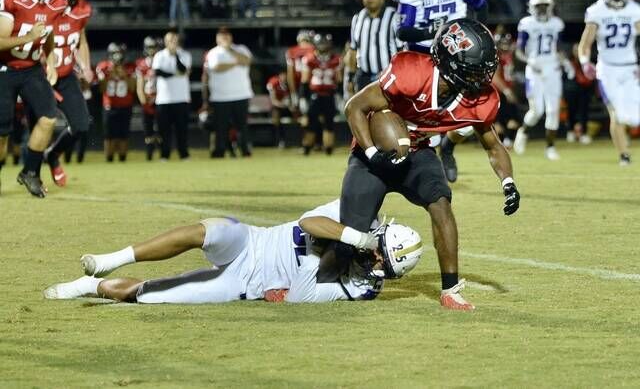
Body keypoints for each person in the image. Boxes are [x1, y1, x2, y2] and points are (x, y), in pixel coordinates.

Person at [318, 19, 521, 311]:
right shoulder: (412, 72)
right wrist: (373, 152)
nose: (484, 76)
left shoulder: (479, 99)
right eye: (476, 68)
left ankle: (450, 289)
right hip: (372, 156)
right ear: (451, 63)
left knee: (441, 202)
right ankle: (314, 280)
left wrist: (508, 183)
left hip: (418, 153)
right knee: (348, 240)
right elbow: (355, 107)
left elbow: (493, 146)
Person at [44, 199, 423, 304]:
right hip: (255, 240)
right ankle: (112, 258)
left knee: (152, 294)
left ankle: (88, 287)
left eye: (380, 261)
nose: (373, 258)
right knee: (209, 229)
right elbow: (309, 223)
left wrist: (327, 257)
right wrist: (351, 239)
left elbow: (300, 296)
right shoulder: (357, 217)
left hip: (244, 281)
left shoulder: (363, 288)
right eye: (378, 249)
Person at [391, 0, 488, 183]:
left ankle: (448, 147)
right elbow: (403, 30)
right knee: (420, 118)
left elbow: (482, 7)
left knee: (470, 118)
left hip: (457, 58)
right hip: (419, 57)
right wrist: (433, 31)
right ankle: (428, 164)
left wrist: (474, 29)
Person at [0, 0, 67, 197]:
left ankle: (29, 171)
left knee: (48, 118)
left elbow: (47, 33)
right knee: (2, 134)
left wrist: (50, 60)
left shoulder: (56, 0)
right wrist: (29, 37)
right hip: (4, 70)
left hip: (30, 69)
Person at [578, 0, 640, 166]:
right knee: (616, 113)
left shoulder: (635, 10)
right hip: (608, 70)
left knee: (634, 118)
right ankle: (624, 155)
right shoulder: (597, 11)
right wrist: (584, 62)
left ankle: (624, 142)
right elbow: (585, 44)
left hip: (630, 68)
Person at [42, 0, 93, 187]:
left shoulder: (80, 10)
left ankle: (53, 154)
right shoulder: (45, 9)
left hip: (65, 76)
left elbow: (80, 40)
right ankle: (31, 172)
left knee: (81, 125)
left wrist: (86, 66)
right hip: (40, 77)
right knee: (41, 125)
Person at [513, 0, 567, 160]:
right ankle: (523, 132)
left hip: (552, 68)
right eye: (539, 7)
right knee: (537, 111)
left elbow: (558, 48)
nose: (542, 10)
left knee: (553, 110)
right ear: (532, 8)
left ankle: (550, 147)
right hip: (535, 69)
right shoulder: (526, 24)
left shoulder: (557, 23)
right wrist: (530, 61)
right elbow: (519, 51)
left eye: (545, 6)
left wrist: (565, 62)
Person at [202, 27, 253, 158]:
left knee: (242, 126)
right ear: (217, 38)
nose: (225, 38)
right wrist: (235, 63)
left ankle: (244, 150)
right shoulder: (213, 53)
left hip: (241, 95)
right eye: (221, 36)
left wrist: (230, 51)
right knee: (220, 128)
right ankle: (220, 151)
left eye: (227, 35)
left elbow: (247, 61)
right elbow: (217, 67)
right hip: (220, 97)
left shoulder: (241, 48)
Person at [345, 0, 401, 93]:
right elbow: (353, 50)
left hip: (388, 76)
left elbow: (402, 51)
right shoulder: (357, 18)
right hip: (364, 77)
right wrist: (350, 77)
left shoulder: (394, 17)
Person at [152, 31, 192, 161]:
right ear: (165, 42)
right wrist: (174, 75)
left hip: (181, 98)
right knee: (164, 130)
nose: (172, 42)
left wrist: (175, 56)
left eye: (174, 40)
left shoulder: (184, 54)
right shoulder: (159, 55)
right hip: (164, 99)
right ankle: (164, 155)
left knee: (182, 130)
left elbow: (183, 70)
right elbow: (158, 72)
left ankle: (184, 154)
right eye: (170, 40)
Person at [300, 33, 342, 155]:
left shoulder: (336, 59)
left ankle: (328, 148)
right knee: (311, 122)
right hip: (315, 94)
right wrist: (303, 97)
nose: (323, 46)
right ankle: (307, 147)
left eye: (325, 44)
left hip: (329, 94)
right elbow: (304, 80)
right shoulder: (309, 59)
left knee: (329, 122)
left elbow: (339, 80)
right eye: (321, 44)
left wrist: (339, 95)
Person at [96, 43, 136, 162]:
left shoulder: (130, 67)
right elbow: (101, 89)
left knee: (123, 135)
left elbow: (132, 88)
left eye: (120, 54)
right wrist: (108, 76)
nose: (118, 56)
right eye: (115, 54)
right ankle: (109, 159)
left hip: (125, 106)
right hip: (109, 106)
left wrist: (125, 76)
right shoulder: (103, 66)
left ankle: (123, 159)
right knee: (109, 136)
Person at [491, 31, 521, 148]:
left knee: (511, 120)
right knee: (501, 122)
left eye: (507, 43)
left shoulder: (508, 55)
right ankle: (504, 143)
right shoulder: (496, 56)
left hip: (504, 91)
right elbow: (495, 77)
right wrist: (507, 91)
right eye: (503, 43)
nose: (506, 45)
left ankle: (506, 142)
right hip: (498, 93)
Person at [564, 43, 595, 144]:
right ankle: (570, 131)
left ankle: (584, 133)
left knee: (584, 112)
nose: (577, 52)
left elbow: (592, 77)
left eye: (578, 50)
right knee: (571, 111)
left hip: (584, 90)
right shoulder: (569, 62)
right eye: (575, 50)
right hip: (571, 90)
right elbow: (565, 77)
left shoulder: (587, 61)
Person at [135, 36, 159, 161]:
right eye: (150, 47)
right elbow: (140, 86)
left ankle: (162, 154)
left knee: (161, 128)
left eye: (154, 47)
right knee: (148, 130)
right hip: (148, 98)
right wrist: (144, 101)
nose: (152, 50)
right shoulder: (142, 64)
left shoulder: (162, 60)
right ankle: (149, 154)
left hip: (161, 99)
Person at [266, 69, 291, 148]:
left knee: (297, 114)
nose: (284, 77)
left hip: (285, 106)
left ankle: (297, 139)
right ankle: (279, 140)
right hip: (276, 106)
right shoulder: (273, 82)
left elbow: (288, 97)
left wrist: (289, 105)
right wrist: (282, 105)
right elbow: (273, 101)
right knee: (276, 115)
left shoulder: (288, 83)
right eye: (283, 75)